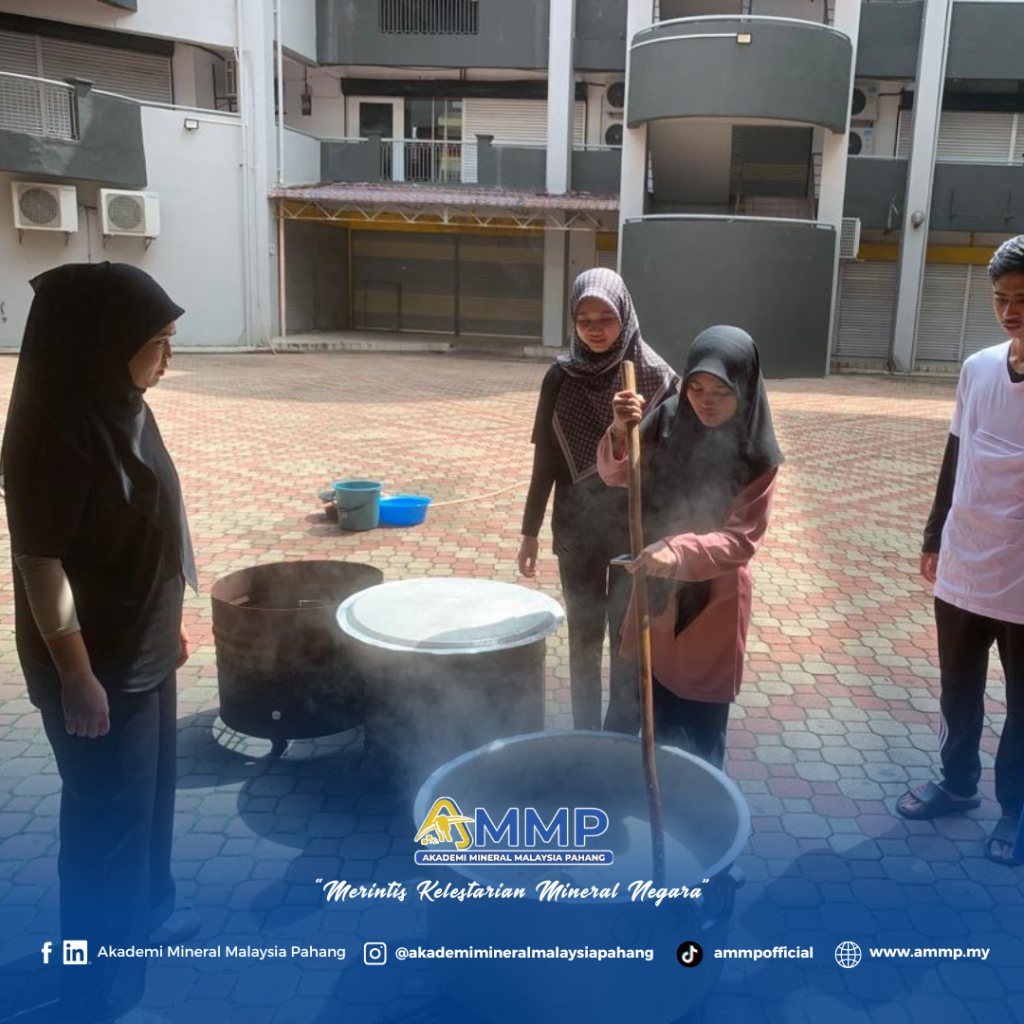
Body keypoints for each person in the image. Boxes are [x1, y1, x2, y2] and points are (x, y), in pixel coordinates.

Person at [2, 263, 201, 1023]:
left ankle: (144, 926)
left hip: (142, 642)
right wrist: (77, 677)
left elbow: (151, 518)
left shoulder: (123, 404)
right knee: (104, 826)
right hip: (94, 662)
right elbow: (40, 564)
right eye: (158, 341)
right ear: (104, 344)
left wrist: (166, 615)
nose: (169, 356)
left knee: (148, 807)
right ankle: (96, 991)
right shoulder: (51, 433)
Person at [597, 326, 783, 770]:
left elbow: (741, 540)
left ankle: (696, 806)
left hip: (711, 604)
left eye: (721, 391)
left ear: (745, 387)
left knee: (694, 738)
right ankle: (622, 795)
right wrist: (621, 431)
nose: (705, 402)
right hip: (653, 592)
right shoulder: (667, 420)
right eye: (696, 388)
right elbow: (617, 475)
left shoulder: (757, 453)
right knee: (633, 710)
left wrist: (679, 552)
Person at [896, 235, 1024, 867]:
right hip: (967, 560)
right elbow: (957, 453)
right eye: (1001, 299)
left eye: (1023, 299)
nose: (1010, 312)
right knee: (958, 687)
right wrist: (933, 535)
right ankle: (956, 783)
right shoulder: (977, 369)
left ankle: (1017, 809)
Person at [517, 268, 678, 732]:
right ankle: (585, 732)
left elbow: (673, 464)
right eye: (584, 320)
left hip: (633, 527)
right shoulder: (560, 377)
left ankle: (619, 735)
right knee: (583, 640)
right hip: (577, 529)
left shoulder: (656, 378)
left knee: (627, 641)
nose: (595, 329)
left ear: (624, 314)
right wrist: (530, 533)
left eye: (605, 318)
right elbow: (546, 461)